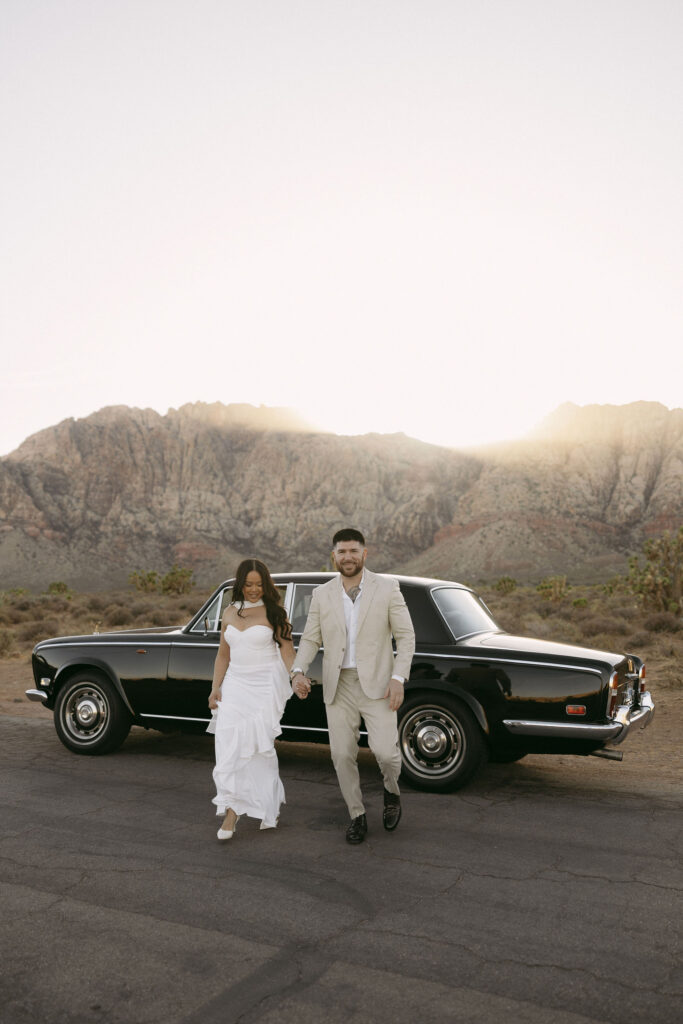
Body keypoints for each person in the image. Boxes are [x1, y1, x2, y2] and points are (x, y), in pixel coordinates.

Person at [290, 528, 415, 844]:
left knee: (386, 754)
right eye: (341, 552)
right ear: (334, 555)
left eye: (353, 551)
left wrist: (398, 678)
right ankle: (357, 815)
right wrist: (297, 671)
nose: (347, 557)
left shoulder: (387, 588)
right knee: (341, 755)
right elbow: (310, 638)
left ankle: (391, 791)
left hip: (379, 685)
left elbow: (406, 636)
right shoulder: (322, 594)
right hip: (338, 686)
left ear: (364, 553)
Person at [207, 559, 295, 840]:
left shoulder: (275, 613)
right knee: (229, 746)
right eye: (248, 584)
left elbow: (287, 652)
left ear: (266, 585)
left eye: (259, 584)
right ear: (240, 585)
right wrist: (215, 687)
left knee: (259, 750)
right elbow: (223, 654)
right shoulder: (230, 612)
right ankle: (232, 812)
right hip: (235, 686)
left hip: (263, 688)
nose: (254, 590)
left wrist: (297, 677)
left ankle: (266, 805)